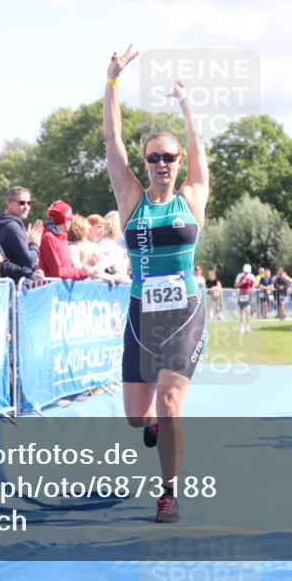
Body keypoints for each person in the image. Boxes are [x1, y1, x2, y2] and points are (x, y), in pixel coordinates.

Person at [104, 44, 208, 523]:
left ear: (178, 161)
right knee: (136, 416)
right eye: (154, 158)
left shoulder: (192, 196)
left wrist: (185, 103)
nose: (162, 163)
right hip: (141, 315)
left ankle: (168, 492)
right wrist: (112, 81)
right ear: (145, 163)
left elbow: (197, 144)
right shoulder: (131, 199)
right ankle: (151, 427)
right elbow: (113, 141)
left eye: (169, 157)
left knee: (169, 403)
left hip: (183, 314)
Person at [0, 186, 45, 272]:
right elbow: (30, 262)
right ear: (8, 203)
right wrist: (34, 243)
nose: (26, 207)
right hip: (15, 279)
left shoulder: (3, 224)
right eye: (21, 203)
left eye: (29, 203)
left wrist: (27, 243)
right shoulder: (13, 227)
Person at [39, 200, 93, 280]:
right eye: (70, 218)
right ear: (64, 220)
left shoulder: (62, 237)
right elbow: (57, 272)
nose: (72, 220)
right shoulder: (49, 238)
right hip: (52, 287)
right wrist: (83, 272)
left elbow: (69, 267)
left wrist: (85, 270)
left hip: (62, 286)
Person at [236, 264, 255, 333]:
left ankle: (247, 326)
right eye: (245, 272)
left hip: (249, 294)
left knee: (248, 310)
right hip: (241, 294)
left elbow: (253, 285)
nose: (246, 273)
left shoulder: (252, 276)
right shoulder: (239, 276)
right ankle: (241, 326)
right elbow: (236, 285)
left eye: (247, 272)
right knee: (242, 311)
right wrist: (241, 283)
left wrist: (252, 289)